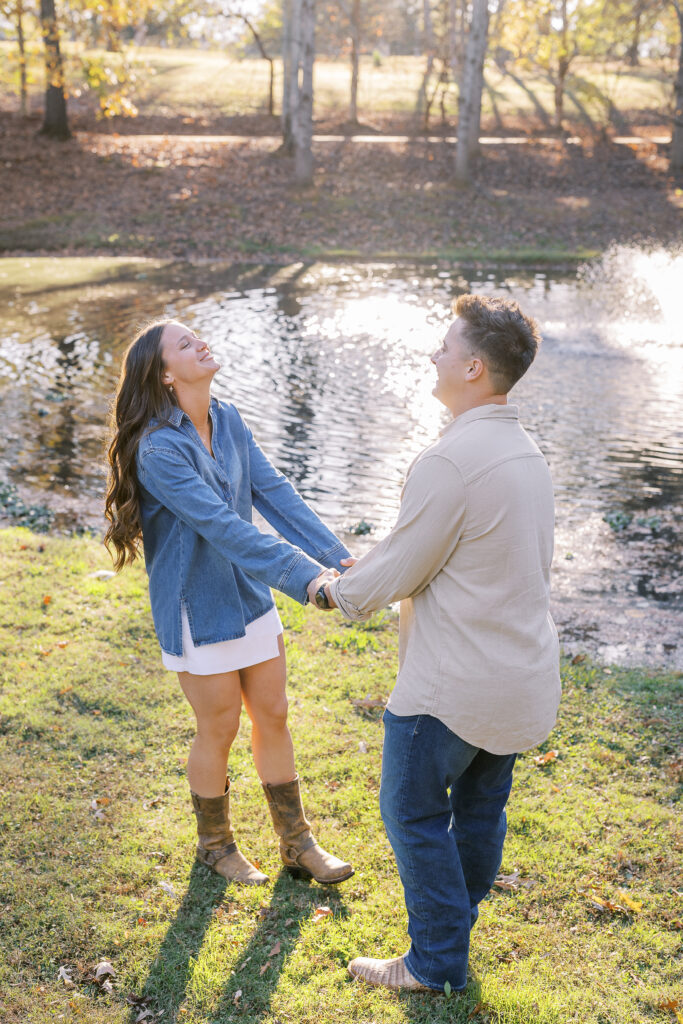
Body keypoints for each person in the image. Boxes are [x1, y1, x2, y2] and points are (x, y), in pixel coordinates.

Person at [311, 293, 561, 992]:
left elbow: (400, 567)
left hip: (452, 688)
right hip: (518, 679)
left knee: (412, 813)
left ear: (474, 368)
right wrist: (383, 560)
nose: (433, 354)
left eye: (444, 346)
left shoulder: (450, 460)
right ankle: (454, 930)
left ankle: (434, 962)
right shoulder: (524, 452)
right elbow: (437, 547)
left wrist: (336, 590)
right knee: (479, 809)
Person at [104, 319, 354, 886]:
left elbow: (274, 492)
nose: (201, 343)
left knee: (274, 714)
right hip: (197, 606)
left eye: (199, 336)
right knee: (218, 727)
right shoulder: (157, 450)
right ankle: (215, 846)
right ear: (165, 374)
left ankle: (297, 843)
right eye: (185, 344)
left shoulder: (230, 418)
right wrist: (305, 576)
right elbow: (222, 527)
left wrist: (336, 558)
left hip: (248, 593)